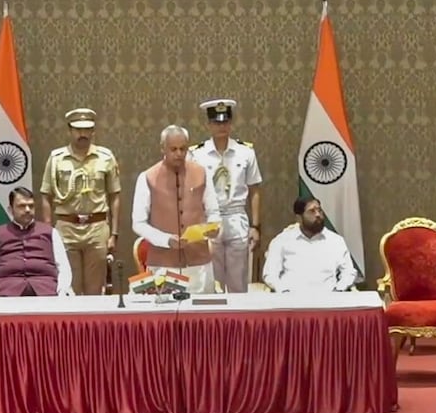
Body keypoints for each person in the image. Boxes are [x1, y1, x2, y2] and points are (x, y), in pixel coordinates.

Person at [39, 108, 122, 295]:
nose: (82, 134)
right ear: (69, 131)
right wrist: (48, 231)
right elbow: (46, 194)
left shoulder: (105, 157)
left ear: (94, 131)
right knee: (69, 286)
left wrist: (114, 234)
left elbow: (115, 195)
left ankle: (94, 325)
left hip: (97, 227)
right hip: (66, 228)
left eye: (87, 130)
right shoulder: (56, 158)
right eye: (78, 130)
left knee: (95, 288)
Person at [132, 125, 222, 294]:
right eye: (173, 149)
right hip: (163, 266)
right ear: (162, 149)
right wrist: (166, 240)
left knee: (201, 319)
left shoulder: (202, 173)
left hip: (199, 265)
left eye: (183, 149)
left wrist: (215, 228)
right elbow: (138, 223)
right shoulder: (146, 177)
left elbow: (214, 212)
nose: (179, 154)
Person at [188, 98, 262, 293]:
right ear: (209, 124)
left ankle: (240, 322)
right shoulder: (197, 154)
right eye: (217, 122)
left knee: (238, 282)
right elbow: (191, 193)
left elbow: (254, 189)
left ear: (231, 122)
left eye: (225, 121)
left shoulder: (245, 152)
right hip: (210, 218)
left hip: (237, 216)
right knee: (213, 282)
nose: (222, 126)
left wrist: (255, 226)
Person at [0, 187, 73, 297]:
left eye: (31, 206)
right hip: (7, 293)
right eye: (22, 206)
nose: (28, 209)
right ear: (10, 209)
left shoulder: (51, 232)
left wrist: (62, 290)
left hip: (47, 292)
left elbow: (63, 266)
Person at [262, 197, 358, 292]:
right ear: (299, 218)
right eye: (312, 211)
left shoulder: (336, 241)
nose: (317, 214)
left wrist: (339, 289)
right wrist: (283, 290)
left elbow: (349, 272)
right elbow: (270, 273)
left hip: (328, 299)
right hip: (291, 300)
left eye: (319, 210)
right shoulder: (282, 240)